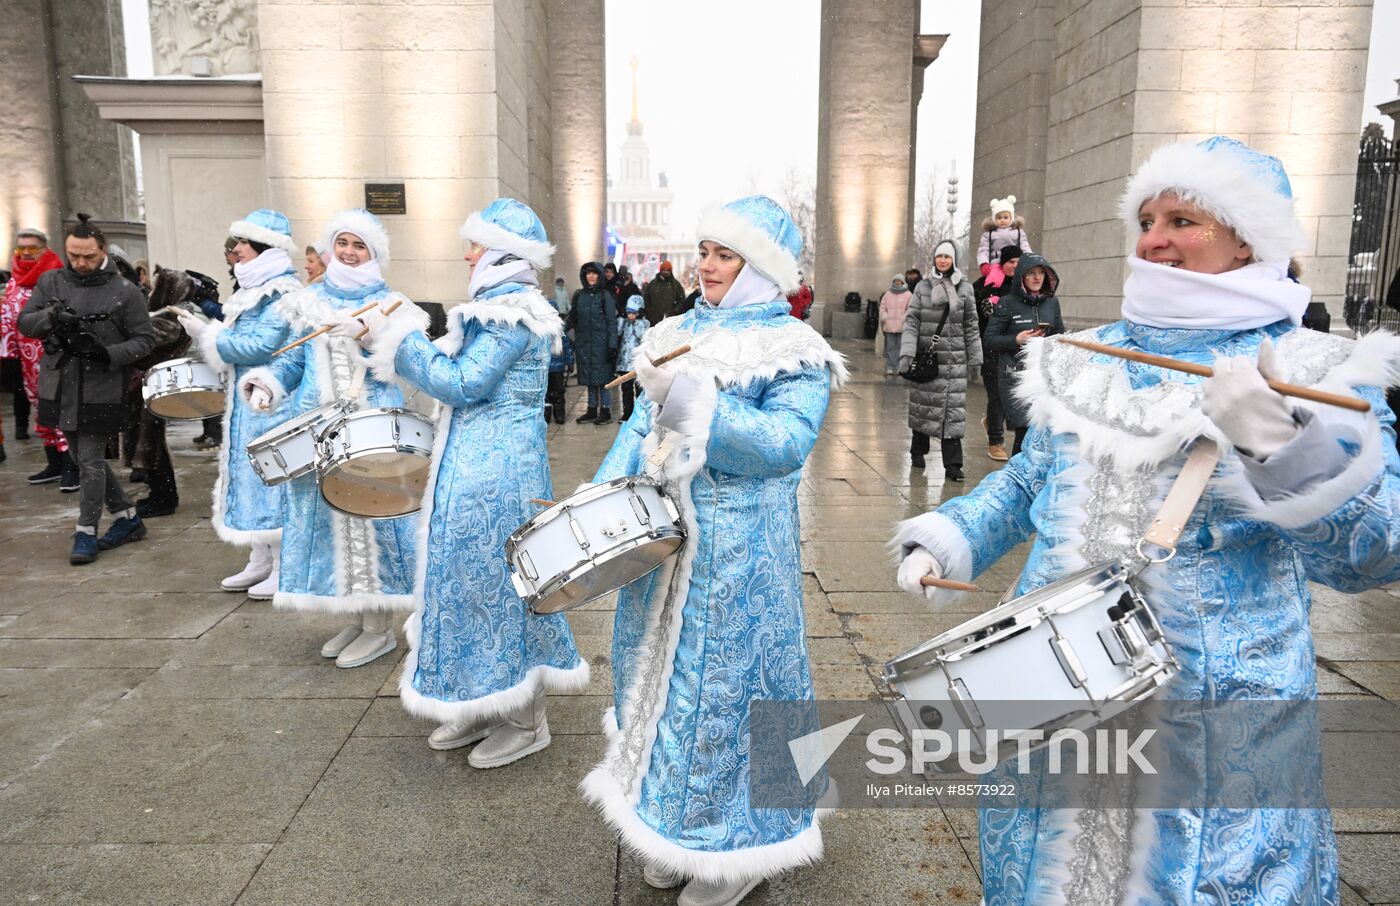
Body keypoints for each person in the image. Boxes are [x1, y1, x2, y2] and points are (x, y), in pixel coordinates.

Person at [892, 135, 1400, 905]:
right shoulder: (1080, 354)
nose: (1156, 239)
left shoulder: (1316, 368)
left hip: (1209, 716)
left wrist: (1282, 446)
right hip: (1053, 684)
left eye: (1185, 221)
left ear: (1246, 242)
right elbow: (1031, 479)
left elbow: (1375, 551)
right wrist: (951, 535)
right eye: (1147, 219)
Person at [581, 195, 846, 906]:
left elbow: (786, 447)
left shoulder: (794, 349)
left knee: (726, 691)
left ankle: (741, 846)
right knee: (655, 684)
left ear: (759, 266)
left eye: (724, 254)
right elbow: (637, 427)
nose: (707, 264)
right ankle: (673, 822)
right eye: (705, 249)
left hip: (740, 550)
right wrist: (598, 499)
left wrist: (702, 404)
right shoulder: (674, 330)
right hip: (666, 540)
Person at [355, 197, 589, 763]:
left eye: (476, 245)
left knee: (502, 589)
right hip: (470, 469)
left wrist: (403, 334)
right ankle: (482, 703)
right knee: (465, 584)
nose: (466, 255)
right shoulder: (494, 310)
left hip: (498, 475)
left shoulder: (515, 314)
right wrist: (391, 332)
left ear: (504, 253)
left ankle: (525, 719)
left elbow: (462, 383)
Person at [239, 209, 421, 668]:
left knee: (370, 522)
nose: (349, 252)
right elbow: (293, 362)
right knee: (331, 526)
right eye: (343, 242)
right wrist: (267, 383)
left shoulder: (392, 303)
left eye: (360, 245)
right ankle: (355, 615)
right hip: (317, 430)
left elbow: (407, 365)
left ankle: (379, 626)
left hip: (370, 428)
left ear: (374, 253)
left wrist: (370, 338)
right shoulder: (308, 300)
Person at [175, 210, 303, 597]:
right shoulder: (251, 288)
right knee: (248, 477)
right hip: (246, 401)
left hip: (272, 400)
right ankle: (260, 558)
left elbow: (260, 345)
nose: (235, 251)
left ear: (264, 246)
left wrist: (206, 333)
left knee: (273, 477)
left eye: (242, 244)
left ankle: (285, 564)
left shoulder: (282, 292)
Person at [18, 214, 156, 564]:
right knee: (81, 457)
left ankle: (86, 531)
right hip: (61, 384)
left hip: (102, 386)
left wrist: (106, 353)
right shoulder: (51, 281)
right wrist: (51, 317)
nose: (80, 263)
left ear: (103, 250)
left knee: (90, 461)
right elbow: (25, 322)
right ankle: (126, 517)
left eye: (88, 256)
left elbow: (145, 341)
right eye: (73, 255)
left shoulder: (126, 290)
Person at [899, 239, 980, 479]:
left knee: (952, 414)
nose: (943, 261)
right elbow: (912, 321)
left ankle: (953, 465)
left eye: (947, 257)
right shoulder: (923, 288)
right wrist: (907, 352)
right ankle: (917, 451)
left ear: (954, 260)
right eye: (939, 257)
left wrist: (976, 358)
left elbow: (971, 325)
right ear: (934, 259)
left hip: (954, 362)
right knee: (923, 409)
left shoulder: (965, 289)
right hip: (929, 359)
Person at [124, 268, 194, 518]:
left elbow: (147, 339)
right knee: (147, 443)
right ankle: (158, 493)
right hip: (147, 385)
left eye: (157, 287)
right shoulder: (165, 313)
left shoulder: (172, 316)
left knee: (151, 444)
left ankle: (164, 497)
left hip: (154, 385)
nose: (151, 291)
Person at [983, 251, 1065, 456]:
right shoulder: (1007, 303)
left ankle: (1035, 477)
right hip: (1014, 376)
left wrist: (1048, 341)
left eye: (1041, 273)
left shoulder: (1052, 303)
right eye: (1031, 273)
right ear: (1022, 277)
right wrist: (1016, 339)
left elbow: (1060, 336)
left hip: (1043, 376)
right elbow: (990, 339)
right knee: (1024, 429)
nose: (1037, 278)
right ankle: (1018, 476)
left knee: (1041, 430)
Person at [2, 228, 67, 481]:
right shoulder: (14, 283)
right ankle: (54, 463)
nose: (26, 253)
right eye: (21, 249)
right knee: (41, 409)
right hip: (28, 362)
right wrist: (10, 353)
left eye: (32, 248)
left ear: (44, 249)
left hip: (56, 355)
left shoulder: (57, 278)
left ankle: (71, 465)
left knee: (62, 408)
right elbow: (8, 319)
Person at [973, 245, 1021, 462]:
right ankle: (996, 441)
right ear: (1002, 263)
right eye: (1011, 261)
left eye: (1019, 262)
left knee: (1010, 394)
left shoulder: (1024, 286)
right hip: (990, 348)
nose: (1015, 266)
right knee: (997, 395)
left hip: (1015, 348)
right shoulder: (984, 286)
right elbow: (971, 317)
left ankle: (992, 422)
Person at [566, 261, 618, 425]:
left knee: (602, 380)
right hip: (584, 344)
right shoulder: (579, 296)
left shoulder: (605, 296)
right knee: (589, 378)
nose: (591, 276)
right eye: (588, 273)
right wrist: (555, 329)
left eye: (594, 273)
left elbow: (611, 322)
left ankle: (605, 410)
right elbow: (571, 318)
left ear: (600, 276)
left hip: (601, 345)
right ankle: (591, 409)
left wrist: (612, 345)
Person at [976, 195, 1034, 278]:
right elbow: (983, 250)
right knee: (994, 281)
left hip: (1014, 263)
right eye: (999, 218)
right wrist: (984, 263)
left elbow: (1025, 247)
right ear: (994, 219)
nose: (1002, 220)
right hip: (996, 263)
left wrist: (1029, 259)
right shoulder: (989, 234)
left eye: (1005, 217)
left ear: (1011, 218)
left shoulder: (1018, 232)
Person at [615, 294, 649, 420]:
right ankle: (627, 413)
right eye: (628, 313)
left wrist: (638, 322)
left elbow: (642, 335)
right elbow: (617, 332)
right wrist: (620, 319)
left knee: (640, 391)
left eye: (634, 313)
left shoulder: (644, 323)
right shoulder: (624, 323)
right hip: (624, 363)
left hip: (637, 364)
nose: (631, 316)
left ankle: (639, 414)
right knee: (626, 390)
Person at [546, 292, 573, 424]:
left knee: (558, 392)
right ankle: (546, 415)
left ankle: (559, 414)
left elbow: (567, 346)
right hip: (545, 367)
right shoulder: (541, 330)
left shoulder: (559, 331)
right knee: (546, 393)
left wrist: (570, 361)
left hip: (557, 367)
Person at [877, 274, 912, 376]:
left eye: (899, 281)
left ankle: (899, 366)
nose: (897, 282)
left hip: (902, 326)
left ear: (902, 282)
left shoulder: (908, 295)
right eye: (896, 281)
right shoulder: (887, 294)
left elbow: (910, 308)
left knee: (901, 347)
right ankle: (890, 366)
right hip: (889, 326)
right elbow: (882, 308)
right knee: (890, 347)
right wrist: (885, 317)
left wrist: (904, 318)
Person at [642, 259, 685, 324]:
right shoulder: (653, 284)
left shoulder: (675, 284)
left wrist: (674, 311)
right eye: (664, 270)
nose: (666, 272)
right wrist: (649, 312)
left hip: (669, 320)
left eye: (668, 270)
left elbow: (682, 299)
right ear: (660, 270)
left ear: (670, 271)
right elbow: (646, 298)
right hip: (653, 319)